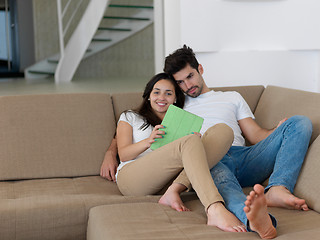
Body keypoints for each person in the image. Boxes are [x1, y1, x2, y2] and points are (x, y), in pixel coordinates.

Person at [162, 45, 313, 239]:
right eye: (180, 82)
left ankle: (278, 188)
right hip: (211, 159)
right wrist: (110, 151)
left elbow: (256, 135)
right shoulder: (176, 108)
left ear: (200, 69)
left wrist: (279, 131)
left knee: (300, 122)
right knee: (222, 180)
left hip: (245, 157)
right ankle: (255, 220)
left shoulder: (231, 97)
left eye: (190, 76)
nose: (187, 85)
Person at [111, 72, 239, 230]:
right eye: (156, 92)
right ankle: (214, 208)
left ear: (176, 98)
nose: (161, 97)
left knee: (223, 130)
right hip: (133, 179)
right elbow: (123, 154)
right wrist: (148, 141)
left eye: (168, 93)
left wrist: (196, 144)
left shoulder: (182, 122)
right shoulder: (130, 116)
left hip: (169, 179)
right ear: (148, 96)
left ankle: (173, 191)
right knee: (189, 141)